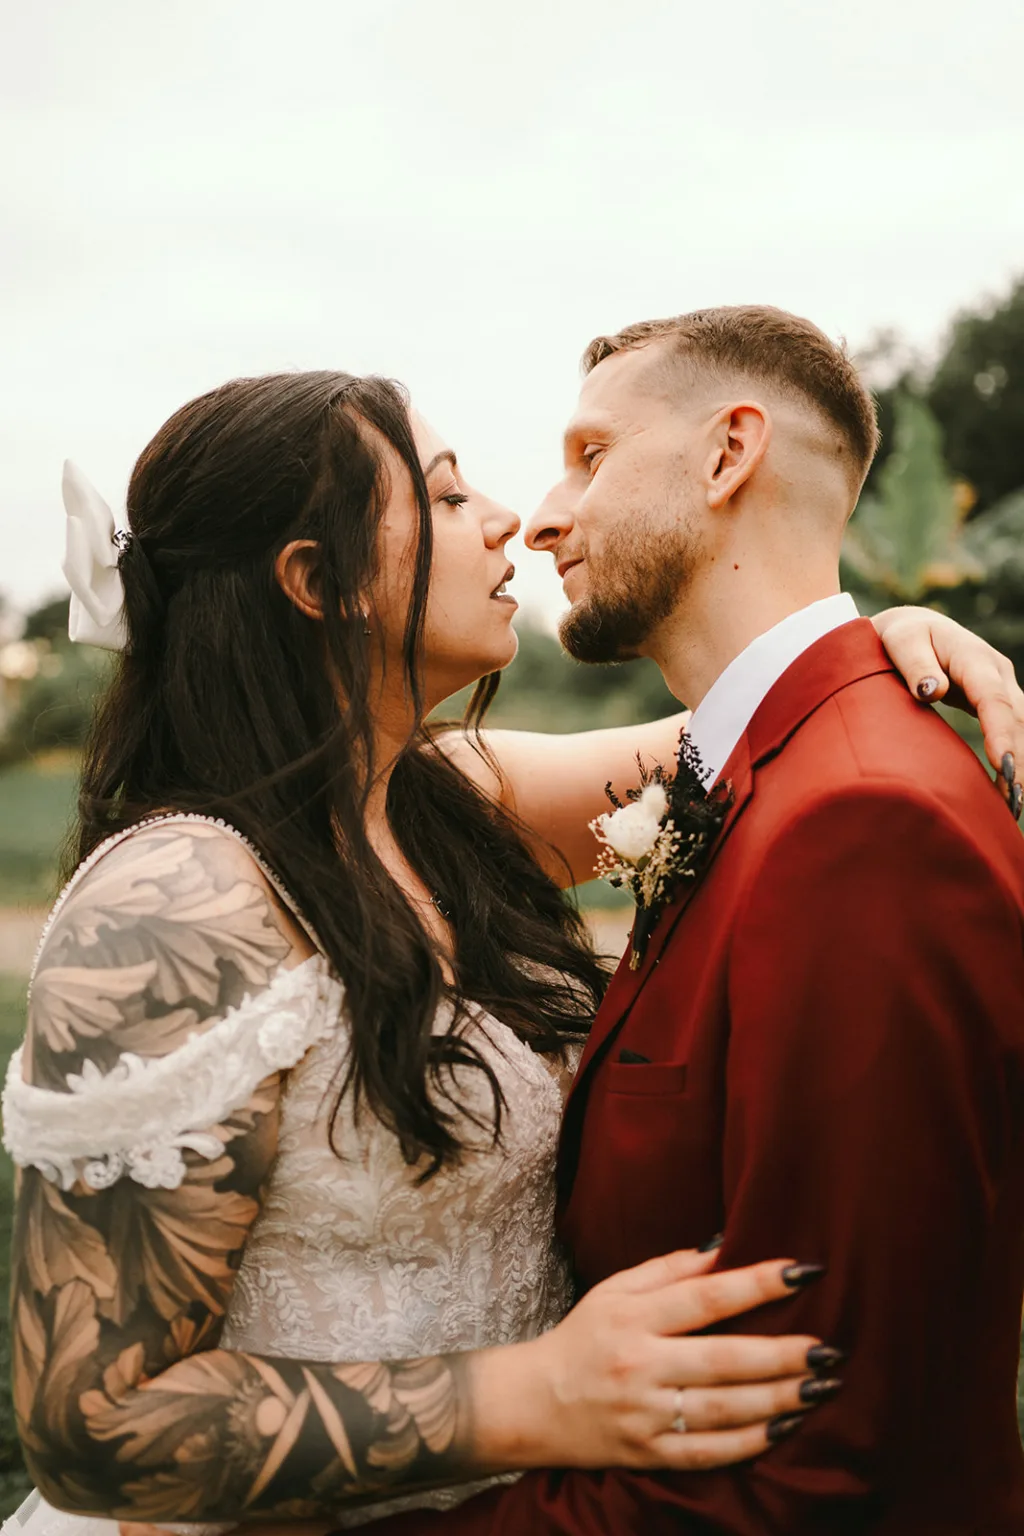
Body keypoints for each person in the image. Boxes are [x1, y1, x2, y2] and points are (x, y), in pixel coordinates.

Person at [2, 365, 1021, 1535]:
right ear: (318, 581)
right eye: (443, 497)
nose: (507, 520)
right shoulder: (172, 903)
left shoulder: (450, 800)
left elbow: (763, 719)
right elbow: (90, 1428)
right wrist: (532, 1399)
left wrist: (881, 632)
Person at [363, 307, 1024, 1534]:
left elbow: (815, 1452)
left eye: (590, 455)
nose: (543, 515)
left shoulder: (862, 826)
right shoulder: (757, 774)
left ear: (729, 456)